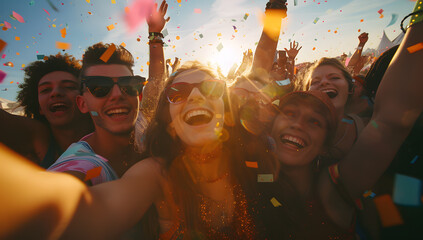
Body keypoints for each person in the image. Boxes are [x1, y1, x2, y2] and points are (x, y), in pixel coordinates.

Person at [258, 17, 423, 238]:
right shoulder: (252, 169)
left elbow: (390, 119)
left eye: (315, 121)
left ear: (326, 144)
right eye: (290, 114)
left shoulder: (331, 188)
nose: (298, 125)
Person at [48, 0, 169, 185]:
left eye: (128, 84)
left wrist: (155, 33)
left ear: (139, 95)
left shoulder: (141, 126)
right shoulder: (79, 164)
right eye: (99, 87)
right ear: (82, 104)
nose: (117, 95)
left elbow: (156, 82)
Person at [0, 53, 94, 168]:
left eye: (69, 86)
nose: (56, 93)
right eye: (45, 90)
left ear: (85, 99)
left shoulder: (108, 130)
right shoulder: (37, 134)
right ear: (39, 108)